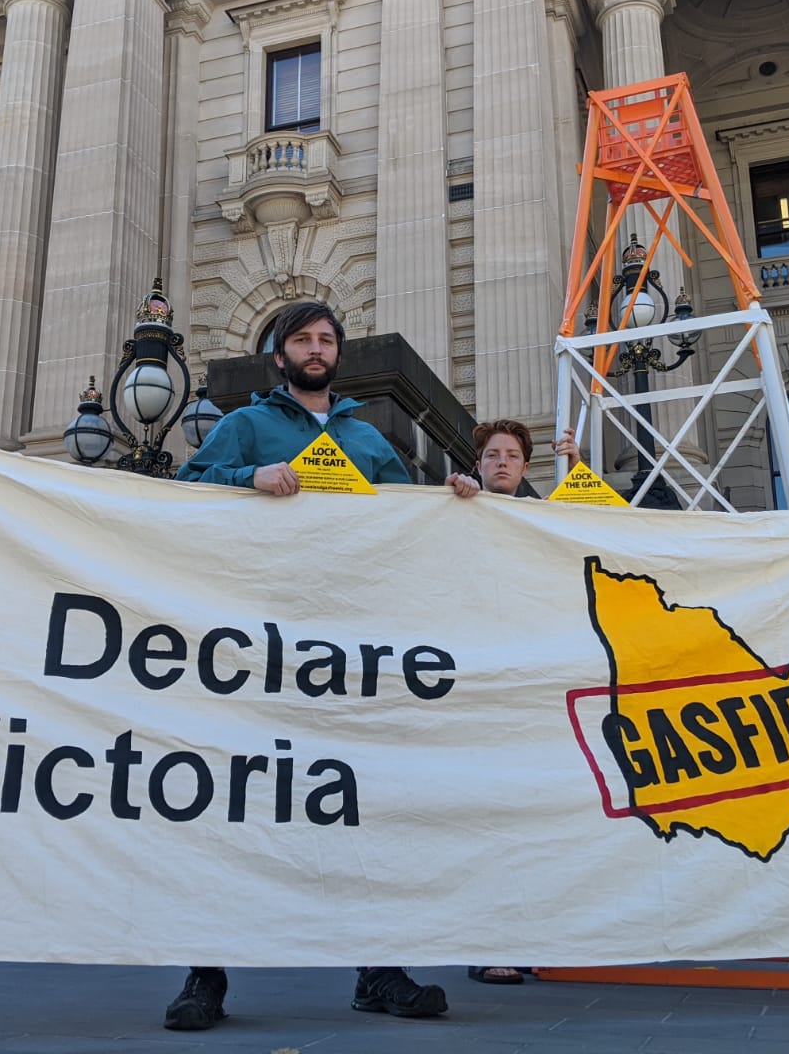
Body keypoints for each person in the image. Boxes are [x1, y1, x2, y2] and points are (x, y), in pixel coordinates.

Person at [168, 300, 476, 1030]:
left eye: (326, 340)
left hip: (347, 649)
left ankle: (380, 971)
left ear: (338, 354)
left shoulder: (367, 440)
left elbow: (412, 524)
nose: (314, 349)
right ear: (279, 354)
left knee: (363, 808)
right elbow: (180, 496)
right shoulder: (246, 427)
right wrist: (250, 477)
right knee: (236, 807)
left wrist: (461, 499)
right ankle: (203, 976)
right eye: (301, 339)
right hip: (257, 648)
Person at [465, 418, 581, 987]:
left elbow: (585, 536)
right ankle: (489, 943)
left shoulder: (541, 518)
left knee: (539, 819)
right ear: (478, 464)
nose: (503, 462)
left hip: (534, 691)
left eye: (512, 455)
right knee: (490, 821)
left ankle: (539, 936)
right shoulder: (456, 512)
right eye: (492, 455)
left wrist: (578, 471)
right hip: (477, 697)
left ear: (525, 467)